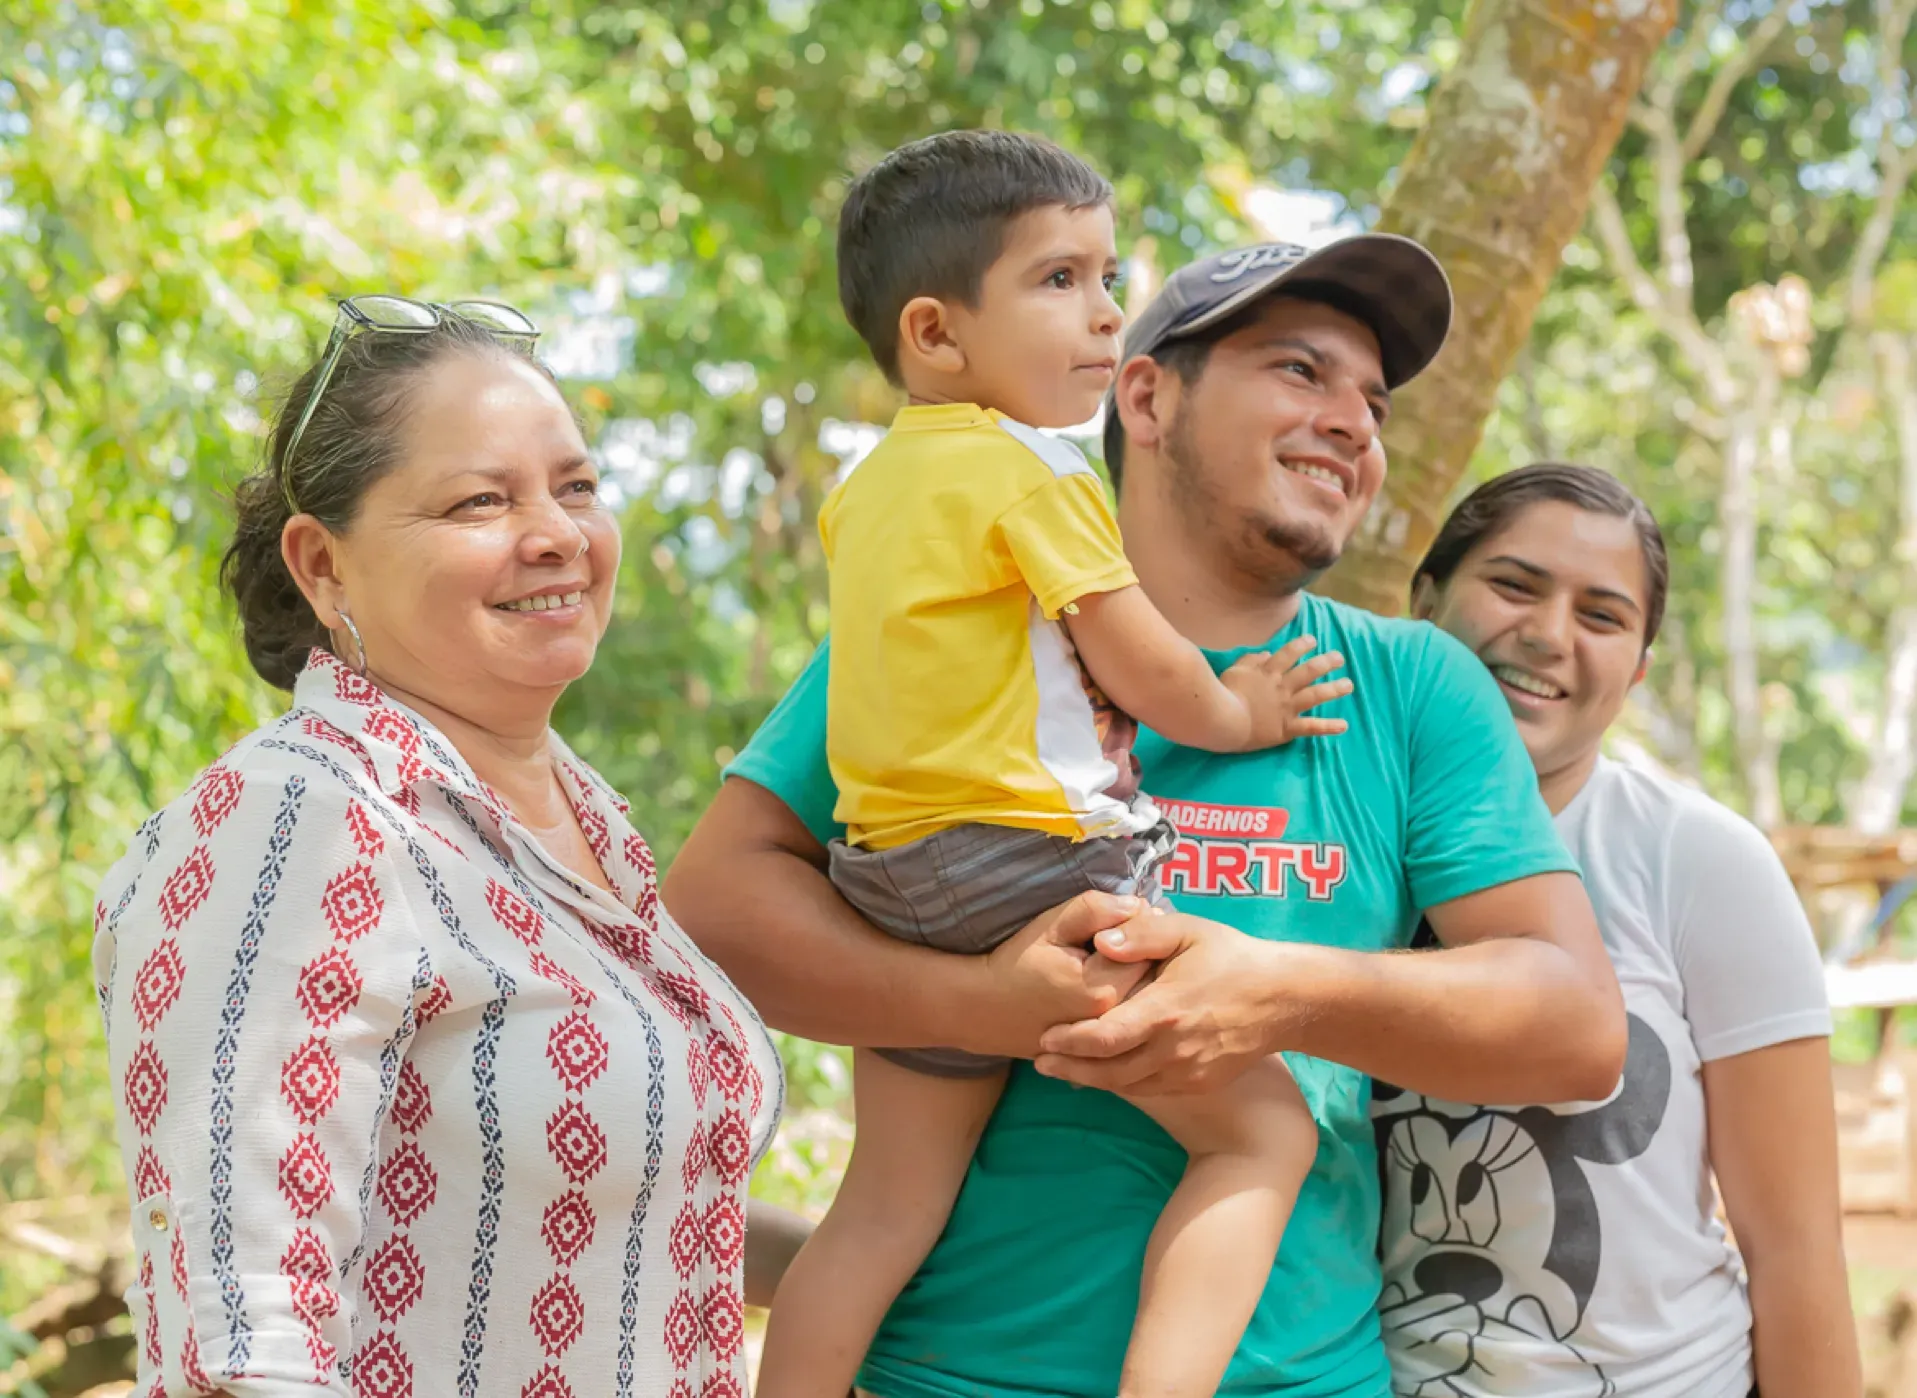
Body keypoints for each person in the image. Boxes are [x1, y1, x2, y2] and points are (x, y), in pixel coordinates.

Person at [667, 237, 1629, 1397]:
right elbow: (710, 917)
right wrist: (989, 1005)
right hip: (946, 1374)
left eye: (1370, 401)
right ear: (1148, 394)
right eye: (1299, 370)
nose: (1353, 423)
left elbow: (1576, 1027)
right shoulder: (959, 623)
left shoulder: (1412, 686)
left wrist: (1271, 990)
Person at [92, 299, 801, 1398]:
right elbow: (240, 1341)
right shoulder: (299, 823)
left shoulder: (578, 824)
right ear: (323, 566)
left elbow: (600, 1201)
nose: (559, 532)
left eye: (576, 487)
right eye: (481, 500)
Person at [758, 131, 1348, 1398]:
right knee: (1261, 1137)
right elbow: (1139, 661)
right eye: (1060, 280)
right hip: (1030, 862)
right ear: (936, 333)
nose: (1107, 311)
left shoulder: (867, 491)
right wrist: (1240, 714)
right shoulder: (1035, 466)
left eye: (1109, 273)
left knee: (883, 1208)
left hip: (891, 875)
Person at [1382, 462, 1860, 1398]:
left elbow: (1795, 1244)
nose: (1548, 634)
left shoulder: (1699, 859)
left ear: (1636, 667)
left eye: (1601, 616)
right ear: (1423, 600)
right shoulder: (1337, 840)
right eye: (1512, 585)